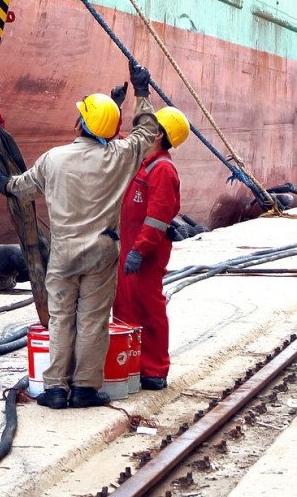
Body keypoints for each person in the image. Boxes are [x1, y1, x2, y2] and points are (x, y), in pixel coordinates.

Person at [0, 60, 160, 409]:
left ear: (81, 122)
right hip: (102, 249)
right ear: (111, 129)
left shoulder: (54, 159)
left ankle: (55, 389)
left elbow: (23, 188)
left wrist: (5, 184)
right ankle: (85, 387)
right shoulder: (121, 156)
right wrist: (141, 93)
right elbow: (147, 132)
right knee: (93, 321)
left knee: (61, 319)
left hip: (64, 251)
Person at [113, 105, 191, 391]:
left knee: (149, 308)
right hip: (131, 249)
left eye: (148, 125)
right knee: (124, 307)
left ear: (158, 134)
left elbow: (158, 218)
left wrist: (140, 250)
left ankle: (155, 370)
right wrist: (116, 110)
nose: (142, 129)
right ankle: (132, 366)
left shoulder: (162, 170)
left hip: (145, 253)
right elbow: (119, 145)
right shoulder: (143, 162)